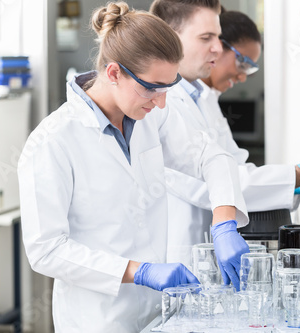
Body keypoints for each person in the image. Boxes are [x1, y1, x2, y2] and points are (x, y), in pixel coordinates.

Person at [17, 2, 248, 332]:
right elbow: (46, 250)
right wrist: (138, 271)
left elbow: (211, 156)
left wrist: (224, 223)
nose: (162, 102)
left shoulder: (152, 113)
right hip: (99, 319)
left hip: (158, 310)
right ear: (113, 73)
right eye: (153, 88)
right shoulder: (52, 142)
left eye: (169, 87)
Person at [150, 3, 300, 269]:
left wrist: (296, 182)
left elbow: (234, 167)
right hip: (179, 252)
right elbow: (214, 182)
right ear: (169, 36)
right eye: (207, 38)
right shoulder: (161, 104)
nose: (215, 48)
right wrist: (299, 174)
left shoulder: (203, 100)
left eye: (217, 37)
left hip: (204, 251)